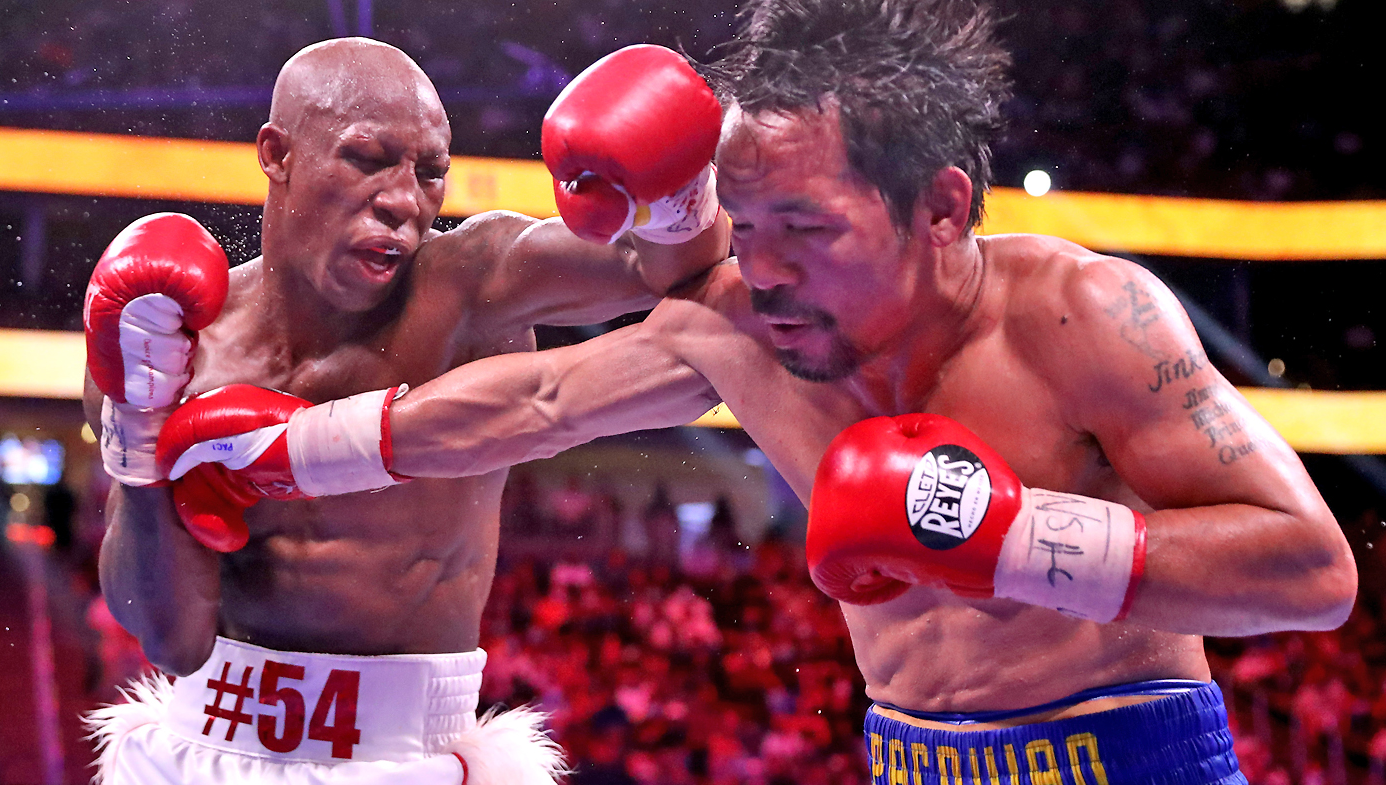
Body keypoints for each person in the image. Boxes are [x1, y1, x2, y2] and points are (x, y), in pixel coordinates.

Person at [157, 2, 1358, 783]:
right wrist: (279, 450)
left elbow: (1311, 570)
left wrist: (1017, 541)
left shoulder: (1081, 314)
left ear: (940, 207)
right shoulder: (750, 323)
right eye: (742, 219)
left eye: (804, 227)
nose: (760, 263)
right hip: (904, 755)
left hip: (1132, 756)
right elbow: (532, 400)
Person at [81, 37, 729, 784]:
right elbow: (167, 637)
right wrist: (137, 441)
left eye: (429, 173)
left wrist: (680, 193)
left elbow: (673, 268)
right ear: (276, 154)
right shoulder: (175, 347)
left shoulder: (470, 284)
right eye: (366, 159)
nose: (402, 201)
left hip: (404, 755)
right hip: (198, 748)